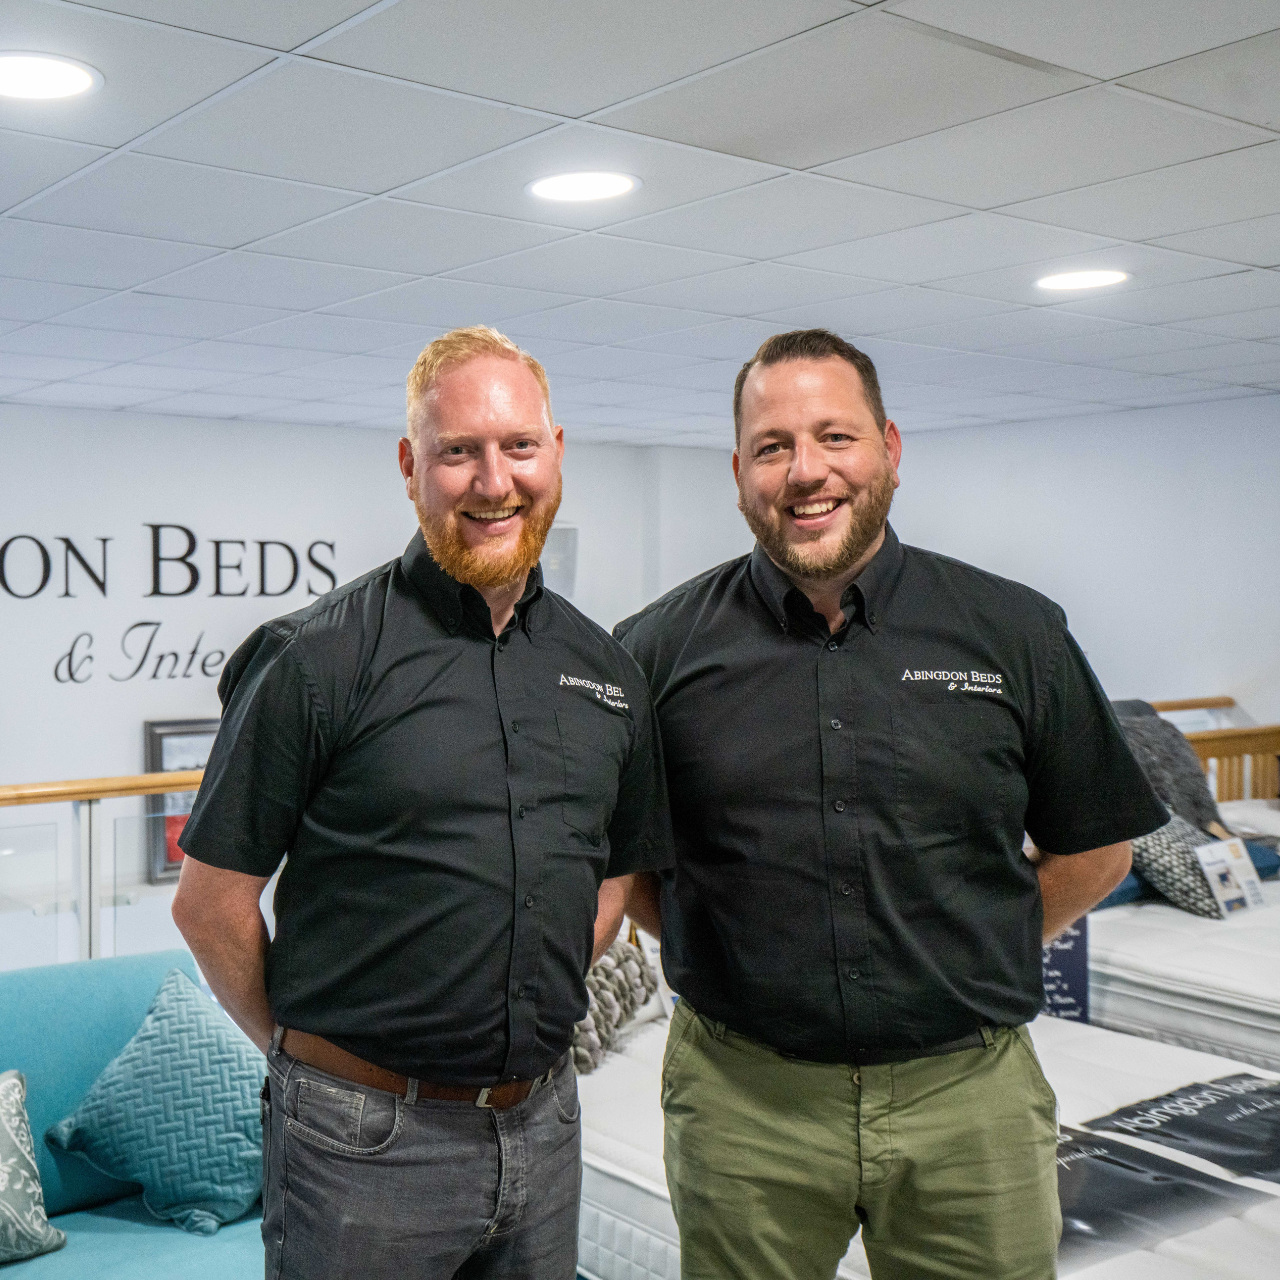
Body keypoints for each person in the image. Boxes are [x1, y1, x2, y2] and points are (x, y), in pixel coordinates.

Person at [615, 328, 1167, 1280]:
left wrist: (964, 950)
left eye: (835, 436)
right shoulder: (654, 651)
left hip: (970, 1104)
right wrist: (732, 959)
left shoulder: (1015, 631)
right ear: (739, 472)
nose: (805, 471)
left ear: (891, 450)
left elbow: (1097, 851)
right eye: (772, 446)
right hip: (745, 1107)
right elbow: (628, 872)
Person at [172, 325, 673, 1280]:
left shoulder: (605, 670)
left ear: (555, 453)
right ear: (411, 467)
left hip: (544, 1123)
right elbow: (210, 904)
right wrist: (306, 1063)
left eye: (518, 446)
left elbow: (615, 875)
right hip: (358, 1146)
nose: (495, 481)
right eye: (459, 452)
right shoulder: (313, 659)